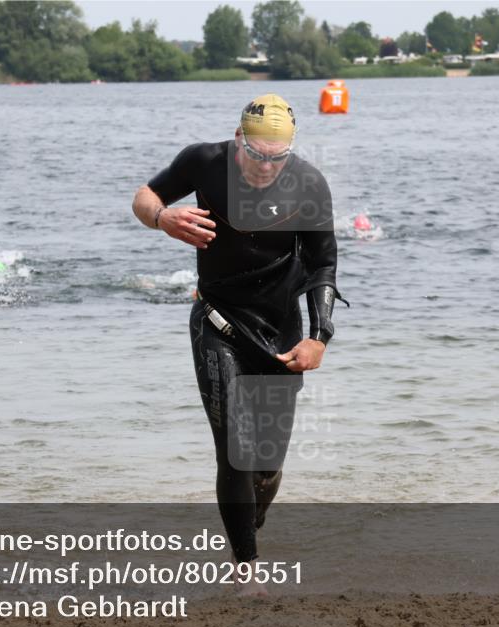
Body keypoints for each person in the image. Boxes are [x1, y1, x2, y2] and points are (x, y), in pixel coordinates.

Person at [132, 94, 345, 596]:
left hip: (280, 331)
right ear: (238, 139)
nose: (266, 166)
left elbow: (323, 265)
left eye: (278, 156)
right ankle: (247, 569)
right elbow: (144, 195)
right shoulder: (204, 161)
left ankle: (246, 523)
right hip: (217, 320)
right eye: (257, 154)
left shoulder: (309, 183)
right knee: (236, 451)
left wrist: (319, 337)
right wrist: (163, 219)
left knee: (266, 467)